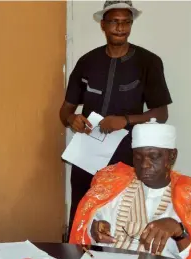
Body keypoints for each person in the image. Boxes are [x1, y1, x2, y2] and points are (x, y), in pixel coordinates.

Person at [60, 0, 174, 232]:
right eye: (114, 22)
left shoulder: (148, 62)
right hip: (87, 156)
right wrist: (72, 119)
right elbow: (65, 110)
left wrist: (126, 120)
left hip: (128, 157)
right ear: (103, 25)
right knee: (83, 213)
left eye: (126, 22)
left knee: (123, 217)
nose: (120, 28)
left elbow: (161, 113)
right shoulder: (87, 62)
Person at [69, 119, 191, 259]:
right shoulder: (112, 188)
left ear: (172, 156)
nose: (144, 165)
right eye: (138, 157)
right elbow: (85, 235)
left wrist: (179, 231)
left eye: (154, 157)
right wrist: (94, 229)